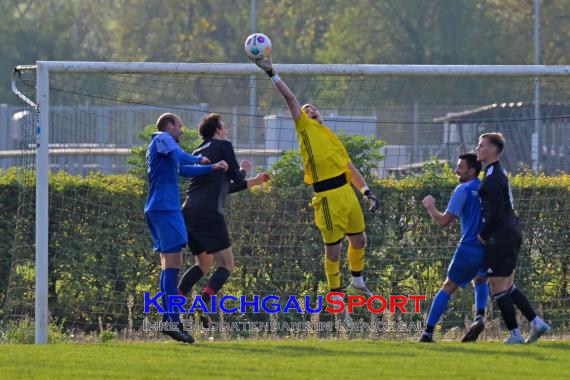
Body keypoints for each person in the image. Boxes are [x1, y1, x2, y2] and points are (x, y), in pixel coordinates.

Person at [251, 55, 380, 321]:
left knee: (360, 240)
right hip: (327, 197)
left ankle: (357, 281)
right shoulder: (305, 129)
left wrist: (366, 191)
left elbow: (349, 167)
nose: (310, 110)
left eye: (314, 109)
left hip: (347, 193)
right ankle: (337, 298)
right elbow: (290, 100)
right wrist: (272, 73)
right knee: (333, 251)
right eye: (307, 109)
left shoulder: (331, 136)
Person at [144, 113, 228, 344]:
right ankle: (171, 321)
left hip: (162, 209)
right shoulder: (162, 137)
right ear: (169, 126)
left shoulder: (165, 149)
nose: (181, 131)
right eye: (179, 126)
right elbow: (183, 159)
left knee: (169, 266)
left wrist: (211, 167)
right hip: (165, 209)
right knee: (173, 266)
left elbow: (184, 170)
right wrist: (199, 159)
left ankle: (171, 320)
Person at [177, 113, 270, 313]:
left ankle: (173, 305)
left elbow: (223, 186)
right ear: (218, 130)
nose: (227, 131)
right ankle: (201, 306)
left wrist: (255, 180)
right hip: (209, 213)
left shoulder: (198, 151)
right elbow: (235, 178)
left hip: (189, 212)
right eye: (225, 127)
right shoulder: (224, 146)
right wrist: (244, 170)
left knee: (203, 263)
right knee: (227, 265)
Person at [476, 132, 550, 344]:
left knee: (498, 285)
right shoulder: (494, 172)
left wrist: (483, 234)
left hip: (501, 236)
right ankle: (536, 322)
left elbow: (496, 211)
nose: (477, 149)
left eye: (481, 145)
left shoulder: (492, 177)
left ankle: (515, 335)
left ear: (492, 150)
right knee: (507, 284)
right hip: (510, 232)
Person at [419, 153, 489, 343]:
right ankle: (479, 317)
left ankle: (427, 333)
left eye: (460, 167)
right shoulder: (487, 187)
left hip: (469, 247)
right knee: (481, 279)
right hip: (488, 247)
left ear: (471, 171)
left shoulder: (463, 189)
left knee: (448, 286)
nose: (456, 170)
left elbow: (443, 222)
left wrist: (430, 206)